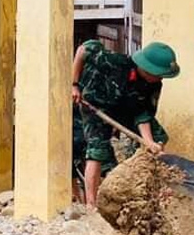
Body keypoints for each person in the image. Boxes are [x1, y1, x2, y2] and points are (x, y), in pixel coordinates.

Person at [72, 40, 180, 207]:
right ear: (145, 68)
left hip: (124, 109)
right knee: (97, 150)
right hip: (95, 106)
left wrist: (149, 142)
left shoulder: (154, 85)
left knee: (159, 136)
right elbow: (83, 49)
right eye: (158, 74)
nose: (160, 78)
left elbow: (142, 113)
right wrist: (74, 84)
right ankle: (91, 206)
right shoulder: (115, 62)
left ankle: (143, 187)